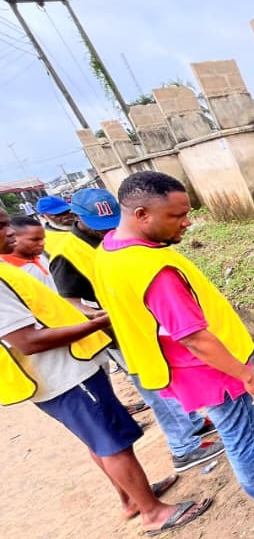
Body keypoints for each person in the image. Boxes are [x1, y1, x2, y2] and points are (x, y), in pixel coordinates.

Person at [94, 172, 254, 516]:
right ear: (142, 214)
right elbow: (195, 338)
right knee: (238, 433)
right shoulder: (153, 270)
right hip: (208, 369)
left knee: (245, 422)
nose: (187, 223)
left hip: (180, 365)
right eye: (176, 216)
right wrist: (248, 376)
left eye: (186, 213)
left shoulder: (109, 249)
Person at [0, 207, 211, 535]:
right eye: (2, 227)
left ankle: (133, 499)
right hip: (63, 376)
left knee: (100, 439)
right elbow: (27, 340)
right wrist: (97, 323)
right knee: (113, 442)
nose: (10, 232)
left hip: (68, 370)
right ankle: (153, 513)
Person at [52, 187, 223, 473]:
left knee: (169, 376)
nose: (104, 230)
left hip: (146, 324)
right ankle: (184, 447)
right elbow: (68, 299)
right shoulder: (67, 254)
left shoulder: (114, 238)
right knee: (153, 384)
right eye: (97, 226)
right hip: (119, 334)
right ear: (76, 218)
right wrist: (97, 315)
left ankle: (193, 423)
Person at [2, 216, 56, 288]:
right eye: (35, 239)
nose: (42, 243)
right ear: (13, 237)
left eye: (43, 238)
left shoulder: (42, 257)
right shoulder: (7, 270)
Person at [35, 195, 75, 259]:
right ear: (43, 216)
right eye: (58, 214)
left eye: (67, 211)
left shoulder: (84, 224)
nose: (66, 216)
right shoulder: (46, 242)